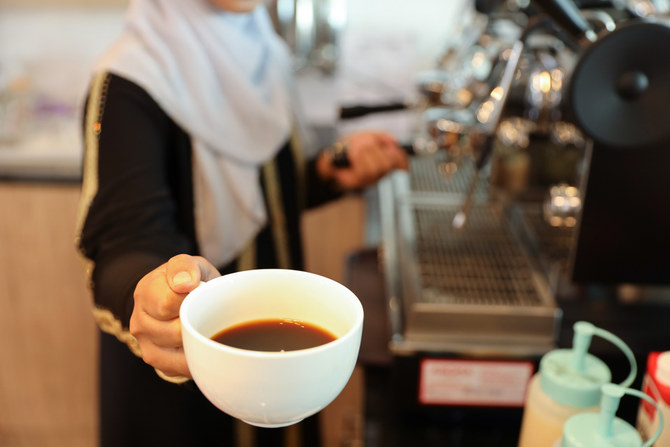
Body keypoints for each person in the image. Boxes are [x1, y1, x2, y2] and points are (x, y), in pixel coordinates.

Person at [74, 0, 408, 446]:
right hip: (186, 391)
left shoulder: (261, 50)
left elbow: (250, 195)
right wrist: (154, 296)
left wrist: (324, 174)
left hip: (281, 364)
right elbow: (125, 240)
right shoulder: (130, 82)